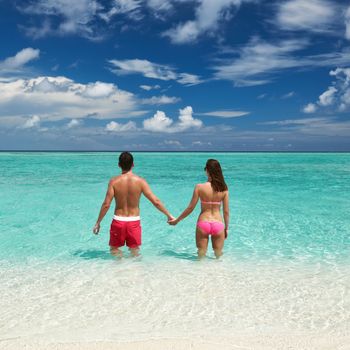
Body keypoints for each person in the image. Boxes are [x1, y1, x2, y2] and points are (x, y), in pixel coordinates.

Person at [93, 151, 174, 257]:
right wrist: (169, 215)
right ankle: (134, 271)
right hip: (134, 222)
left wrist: (98, 222)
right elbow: (156, 202)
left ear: (119, 165)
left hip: (118, 221)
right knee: (135, 251)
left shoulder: (114, 181)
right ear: (133, 165)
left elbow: (106, 204)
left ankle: (119, 269)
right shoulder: (140, 181)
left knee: (114, 249)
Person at [169, 159, 229, 258]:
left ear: (207, 171)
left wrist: (177, 220)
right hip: (218, 223)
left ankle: (198, 273)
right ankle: (220, 273)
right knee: (218, 255)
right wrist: (226, 228)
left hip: (203, 223)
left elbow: (190, 208)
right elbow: (226, 212)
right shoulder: (224, 189)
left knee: (201, 255)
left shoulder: (199, 187)